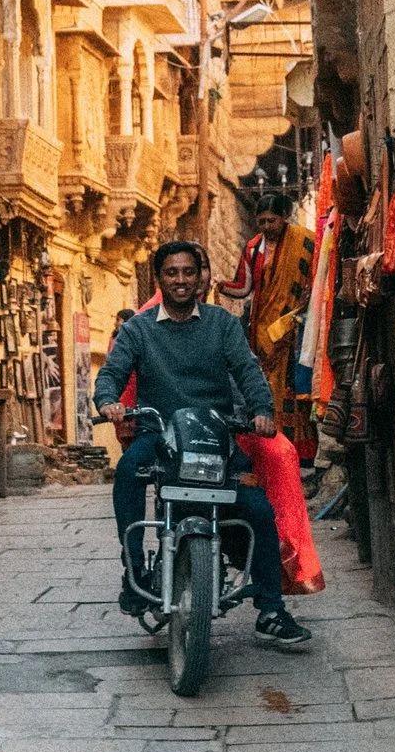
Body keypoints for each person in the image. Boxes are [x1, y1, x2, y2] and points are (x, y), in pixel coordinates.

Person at [96, 240, 312, 648]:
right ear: (160, 279)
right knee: (127, 473)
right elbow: (113, 372)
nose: (181, 281)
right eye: (172, 273)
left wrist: (262, 409)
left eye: (188, 272)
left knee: (258, 510)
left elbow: (248, 371)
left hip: (215, 437)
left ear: (200, 278)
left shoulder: (222, 325)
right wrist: (107, 401)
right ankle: (134, 569)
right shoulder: (138, 329)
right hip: (158, 436)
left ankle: (271, 609)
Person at [215, 192, 315, 455]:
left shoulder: (304, 241)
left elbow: (315, 280)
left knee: (292, 381)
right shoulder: (252, 248)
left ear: (284, 217)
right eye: (262, 222)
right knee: (265, 380)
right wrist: (221, 287)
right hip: (261, 328)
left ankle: (297, 448)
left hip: (293, 325)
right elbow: (244, 286)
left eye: (272, 220)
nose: (268, 227)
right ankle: (269, 440)